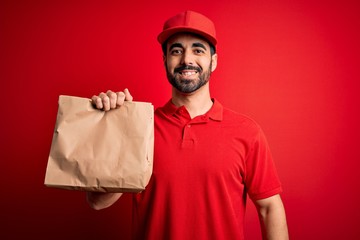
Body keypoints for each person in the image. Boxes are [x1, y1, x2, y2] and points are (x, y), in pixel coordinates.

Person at [87, 10, 289, 240]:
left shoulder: (247, 132)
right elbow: (97, 202)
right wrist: (118, 126)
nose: (187, 60)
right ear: (165, 61)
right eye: (176, 51)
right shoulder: (141, 127)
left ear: (213, 61)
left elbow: (269, 207)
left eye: (198, 50)